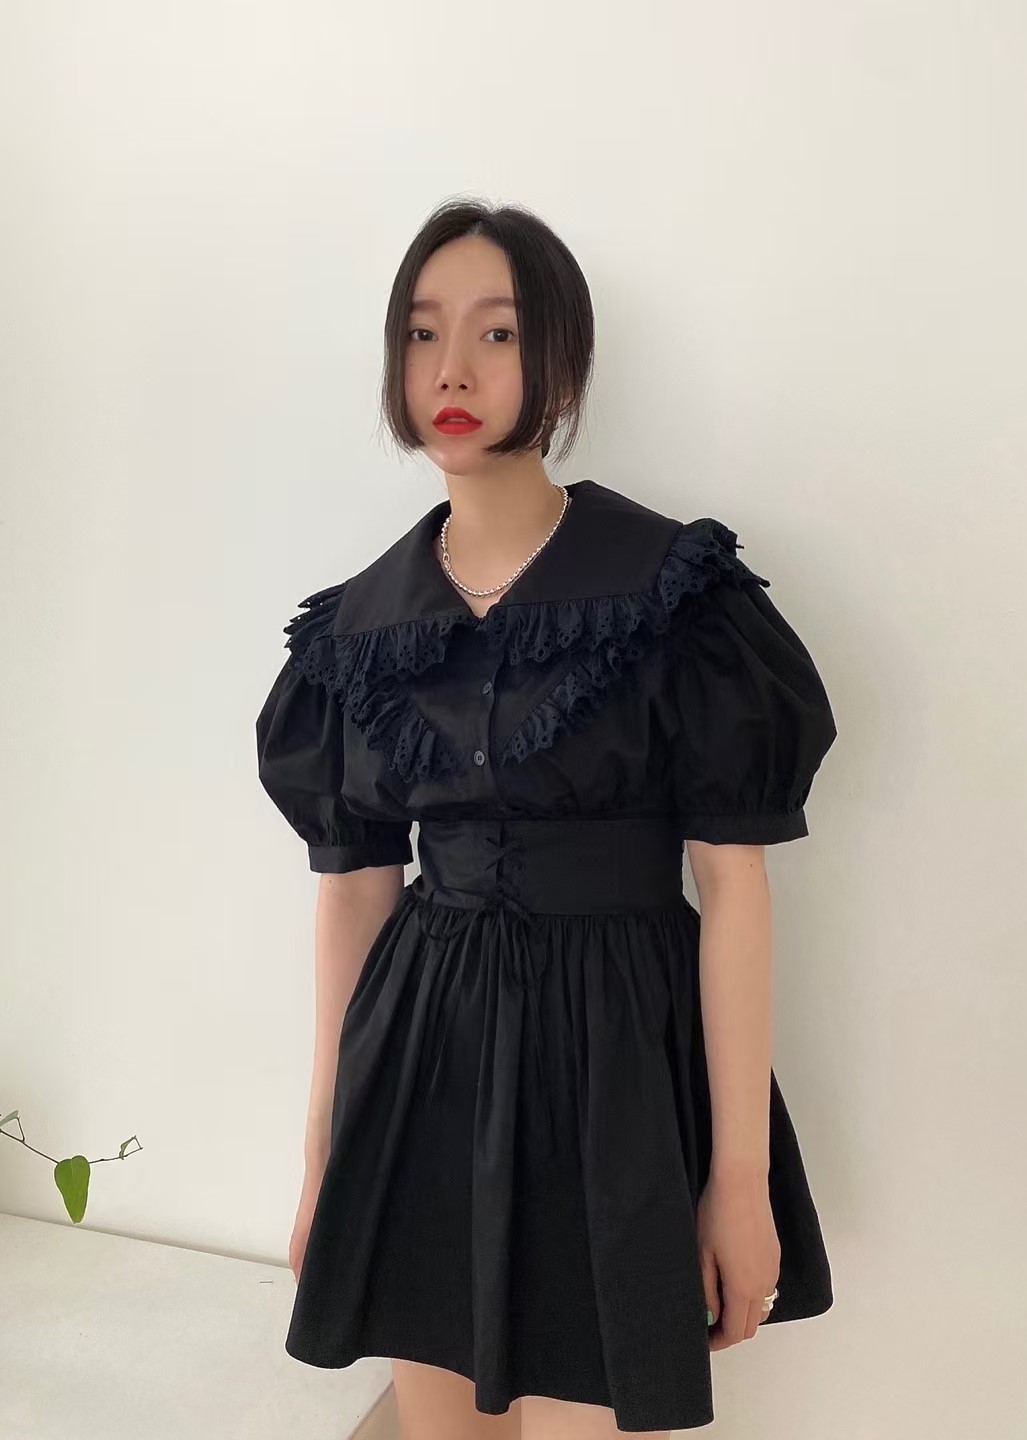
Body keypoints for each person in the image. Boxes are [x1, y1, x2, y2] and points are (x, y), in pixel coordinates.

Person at [255, 198, 838, 1440]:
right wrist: (322, 1158)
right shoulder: (357, 631)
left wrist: (736, 1179)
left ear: (560, 363)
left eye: (497, 333)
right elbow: (353, 893)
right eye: (421, 335)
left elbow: (733, 886)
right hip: (421, 1066)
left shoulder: (671, 593)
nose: (450, 372)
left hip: (616, 1059)